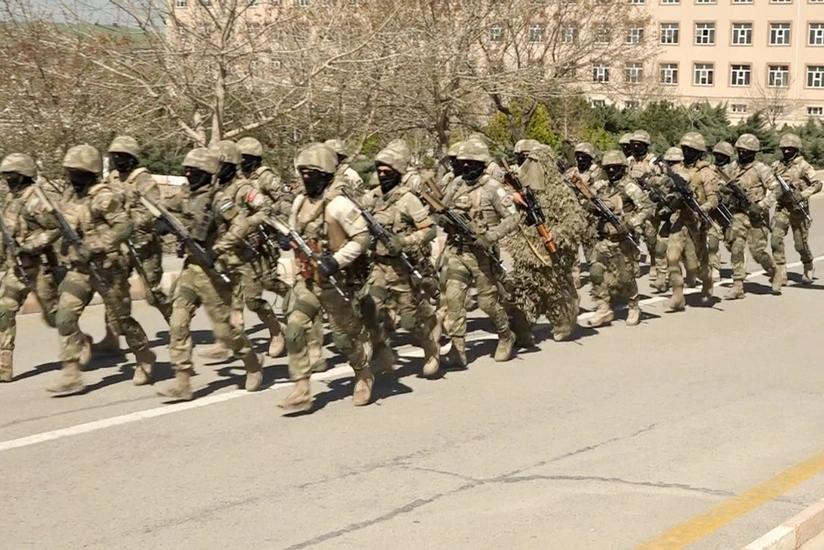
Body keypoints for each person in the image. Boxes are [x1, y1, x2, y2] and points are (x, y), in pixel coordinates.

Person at [45, 145, 156, 395]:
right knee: (64, 316)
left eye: (77, 172)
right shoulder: (70, 196)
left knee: (123, 321)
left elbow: (124, 227)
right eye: (69, 171)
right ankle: (71, 373)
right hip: (80, 269)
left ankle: (144, 355)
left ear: (90, 172)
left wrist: (94, 245)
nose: (72, 176)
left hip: (108, 268)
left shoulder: (103, 197)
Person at [156, 147, 263, 401]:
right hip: (191, 269)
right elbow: (163, 210)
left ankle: (252, 361)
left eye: (195, 171)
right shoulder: (185, 195)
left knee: (227, 332)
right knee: (177, 322)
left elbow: (241, 224)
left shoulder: (219, 199)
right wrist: (160, 222)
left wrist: (217, 250)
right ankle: (182, 380)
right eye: (187, 171)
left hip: (213, 272)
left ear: (208, 173)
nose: (189, 175)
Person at [280, 143, 373, 412]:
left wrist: (335, 260)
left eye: (311, 173)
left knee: (344, 339)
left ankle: (363, 374)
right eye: (302, 172)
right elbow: (295, 232)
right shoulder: (299, 202)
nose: (305, 177)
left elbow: (361, 238)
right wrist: (287, 240)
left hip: (336, 282)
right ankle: (301, 386)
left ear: (324, 174)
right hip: (307, 280)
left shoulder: (339, 205)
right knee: (295, 328)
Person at [438, 140, 520, 367]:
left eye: (470, 163)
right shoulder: (456, 184)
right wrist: (442, 219)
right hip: (458, 250)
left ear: (481, 163)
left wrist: (490, 237)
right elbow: (442, 209)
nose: (465, 167)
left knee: (487, 302)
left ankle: (505, 335)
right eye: (462, 163)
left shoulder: (494, 187)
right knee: (454, 299)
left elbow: (513, 218)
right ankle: (458, 349)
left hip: (483, 254)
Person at [360, 146, 440, 377]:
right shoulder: (371, 198)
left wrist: (403, 241)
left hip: (402, 268)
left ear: (397, 171)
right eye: (380, 170)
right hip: (378, 266)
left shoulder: (408, 200)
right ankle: (383, 353)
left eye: (388, 170)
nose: (383, 174)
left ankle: (431, 348)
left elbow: (429, 231)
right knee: (369, 310)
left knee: (410, 321)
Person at [96, 136, 170, 357]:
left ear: (132, 159)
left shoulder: (144, 180)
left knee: (153, 294)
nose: (118, 160)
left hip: (144, 245)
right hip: (121, 246)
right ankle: (111, 337)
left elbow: (155, 212)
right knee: (113, 289)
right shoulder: (113, 178)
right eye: (114, 156)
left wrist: (131, 222)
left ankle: (177, 325)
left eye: (122, 157)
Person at [504, 144, 587, 342]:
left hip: (554, 255)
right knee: (523, 291)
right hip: (528, 252)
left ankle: (564, 321)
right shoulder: (525, 190)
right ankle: (522, 329)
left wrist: (555, 234)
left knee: (558, 295)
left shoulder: (561, 191)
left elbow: (576, 221)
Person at [0, 154, 62, 382]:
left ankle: (79, 345)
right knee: (4, 311)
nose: (6, 180)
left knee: (55, 317)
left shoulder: (36, 200)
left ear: (23, 175)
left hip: (39, 268)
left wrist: (29, 246)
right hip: (15, 269)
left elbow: (55, 229)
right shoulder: (11, 198)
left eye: (11, 176)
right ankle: (4, 364)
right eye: (4, 176)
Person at [581, 150, 654, 327]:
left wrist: (630, 223)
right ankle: (603, 307)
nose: (612, 171)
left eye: (615, 167)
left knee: (626, 277)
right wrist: (591, 206)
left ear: (622, 168)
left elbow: (648, 207)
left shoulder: (630, 187)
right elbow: (585, 200)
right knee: (596, 272)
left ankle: (634, 306)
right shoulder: (601, 186)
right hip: (603, 238)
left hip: (623, 239)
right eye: (608, 168)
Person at [660, 133, 719, 311]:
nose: (686, 153)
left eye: (690, 150)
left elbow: (713, 199)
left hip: (696, 223)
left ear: (699, 152)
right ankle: (677, 296)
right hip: (680, 221)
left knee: (696, 267)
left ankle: (707, 283)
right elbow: (662, 183)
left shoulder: (706, 173)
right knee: (672, 257)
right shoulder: (677, 169)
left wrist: (703, 208)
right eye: (684, 149)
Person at [720, 133, 780, 299]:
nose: (742, 154)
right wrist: (725, 189)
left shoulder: (761, 169)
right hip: (738, 214)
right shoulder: (732, 167)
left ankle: (774, 271)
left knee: (757, 252)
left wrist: (761, 205)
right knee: (736, 248)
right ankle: (738, 285)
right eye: (740, 150)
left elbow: (776, 190)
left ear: (754, 152)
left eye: (746, 151)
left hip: (756, 216)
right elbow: (720, 183)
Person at [770, 133, 822, 285]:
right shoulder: (776, 166)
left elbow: (817, 183)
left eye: (790, 149)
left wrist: (802, 194)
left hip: (799, 209)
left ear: (796, 149)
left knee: (800, 244)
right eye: (784, 148)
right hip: (782, 208)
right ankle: (780, 272)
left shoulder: (803, 166)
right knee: (775, 240)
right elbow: (769, 182)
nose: (786, 151)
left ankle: (808, 264)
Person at [708, 141, 736, 281]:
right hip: (713, 212)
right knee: (712, 242)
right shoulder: (709, 169)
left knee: (732, 243)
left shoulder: (733, 170)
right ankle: (715, 269)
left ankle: (738, 266)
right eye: (716, 154)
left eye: (721, 155)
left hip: (729, 212)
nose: (718, 157)